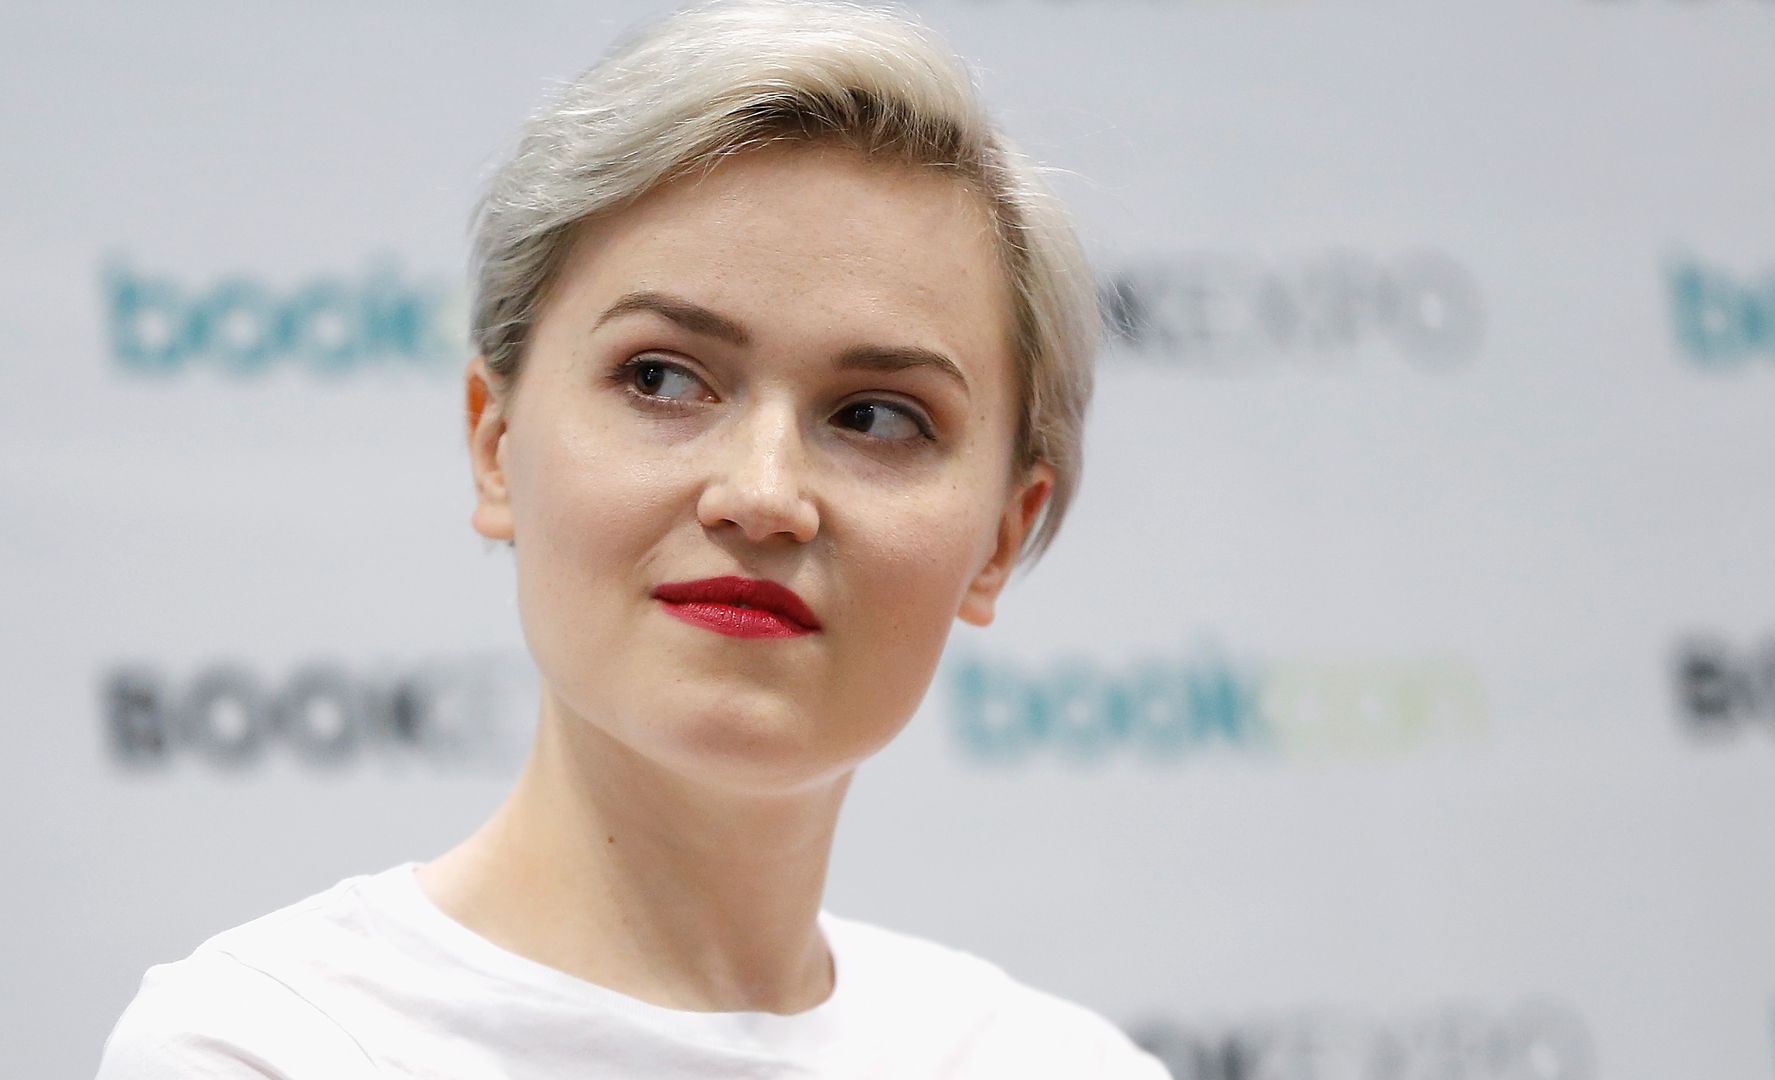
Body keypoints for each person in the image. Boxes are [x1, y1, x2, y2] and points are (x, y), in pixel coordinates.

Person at [97, 2, 1168, 1076]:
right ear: (494, 443)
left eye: (877, 415)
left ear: (999, 538)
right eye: (661, 378)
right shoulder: (267, 1047)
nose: (762, 495)